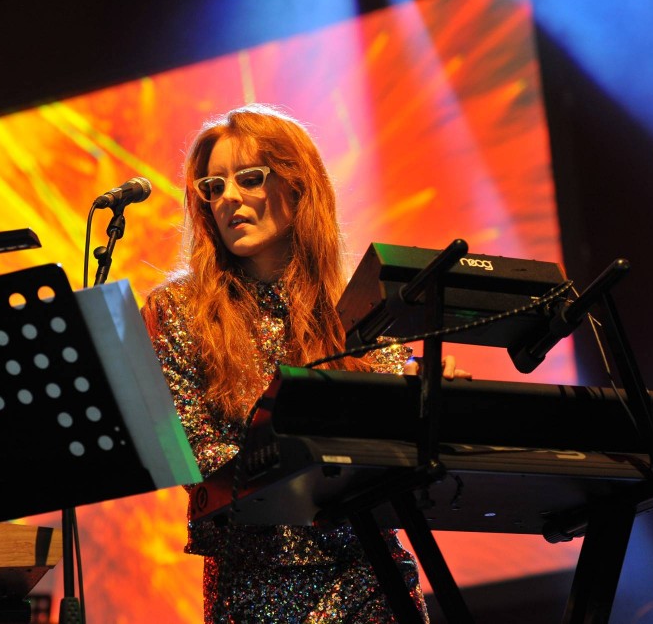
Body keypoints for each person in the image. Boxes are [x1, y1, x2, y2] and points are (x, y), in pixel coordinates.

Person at [142, 103, 468, 623]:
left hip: (369, 573)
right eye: (213, 186)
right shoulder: (175, 311)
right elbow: (196, 456)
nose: (229, 198)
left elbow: (397, 420)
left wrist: (422, 390)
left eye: (249, 178)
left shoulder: (350, 308)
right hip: (254, 582)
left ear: (297, 185)